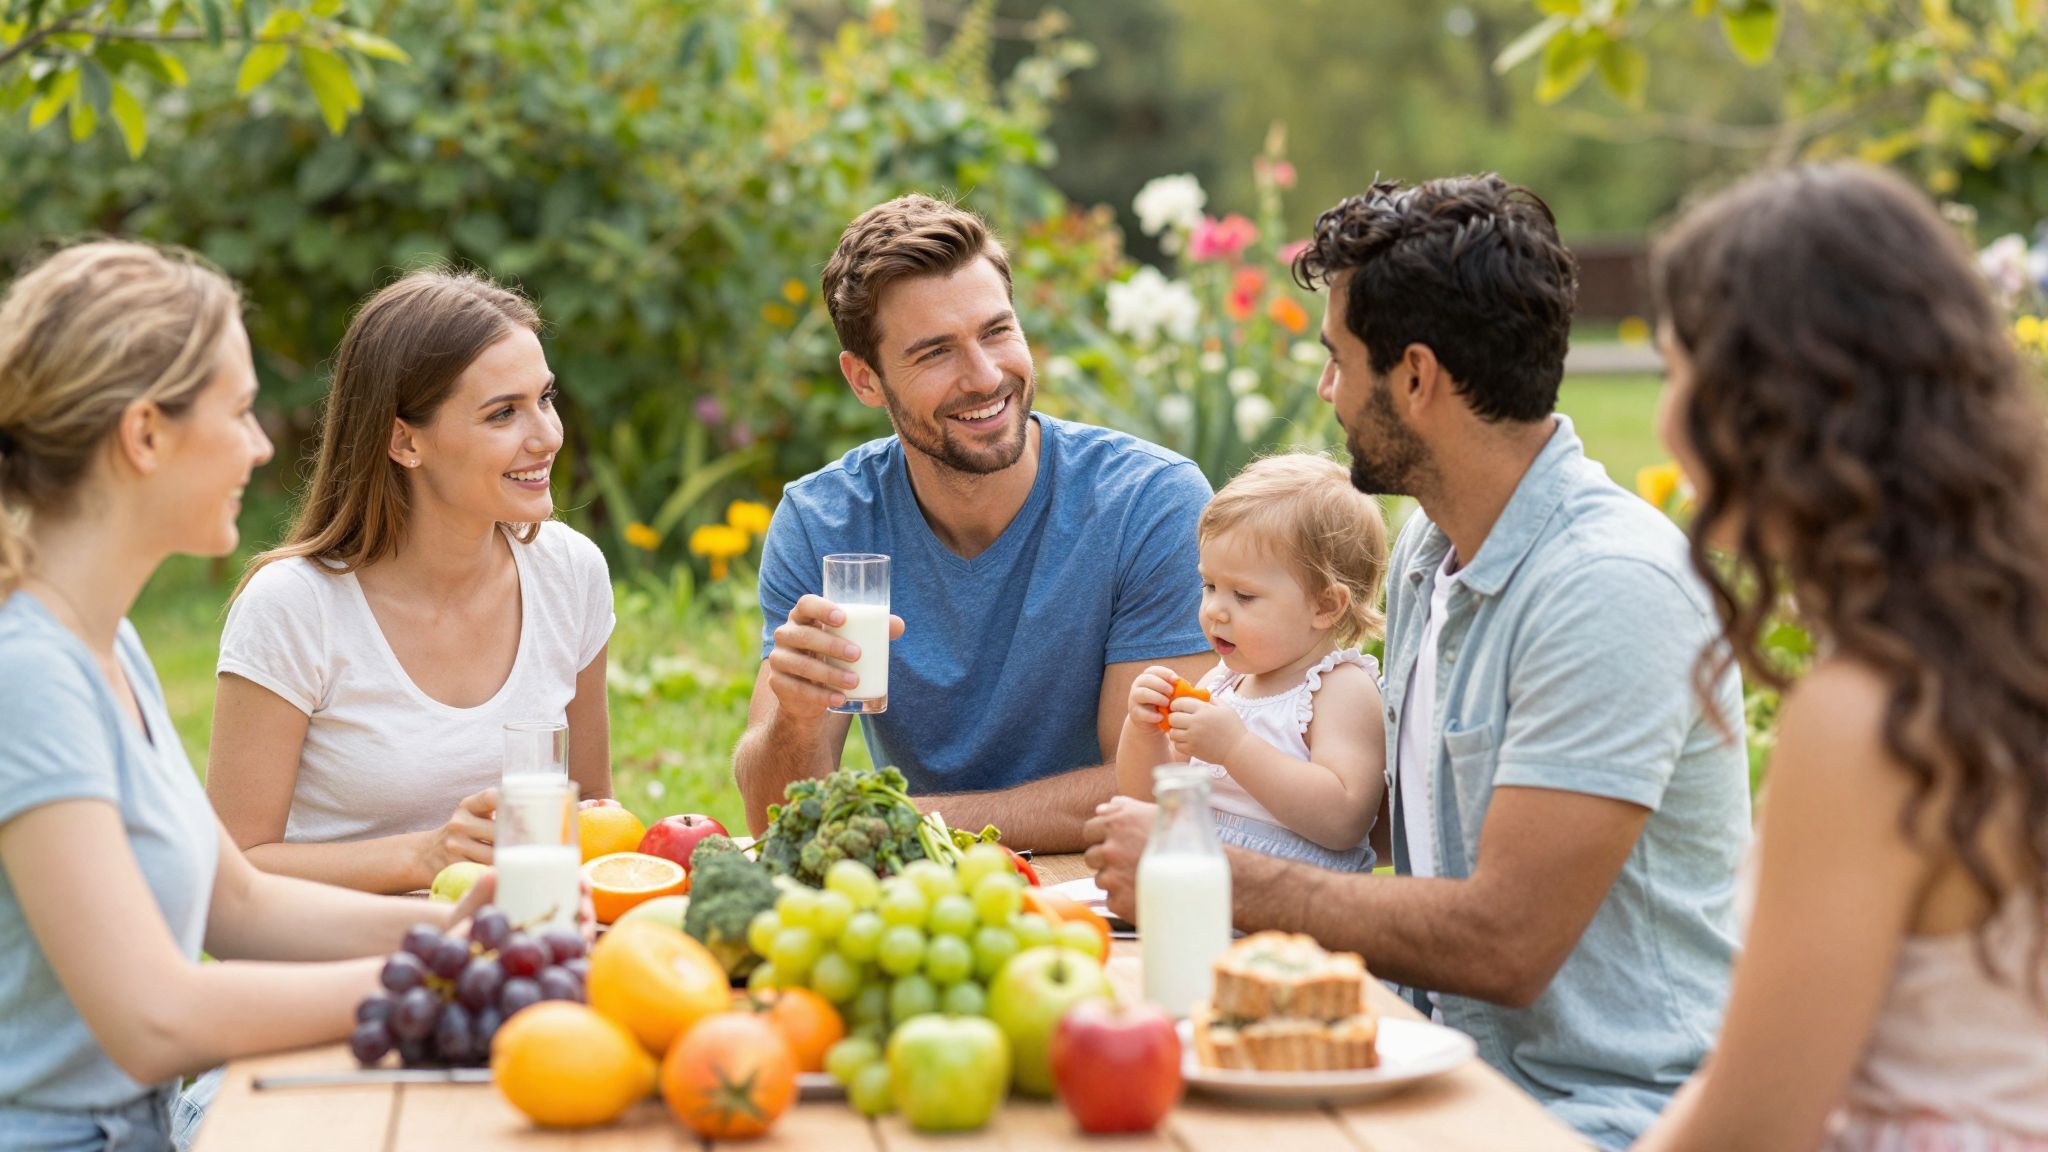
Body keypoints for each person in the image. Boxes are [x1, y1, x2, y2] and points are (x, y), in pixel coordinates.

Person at [1084, 174, 1752, 1149]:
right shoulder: (1429, 555)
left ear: (1415, 378)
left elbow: (1503, 941)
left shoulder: (1606, 589)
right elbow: (1394, 826)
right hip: (1422, 1059)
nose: (1324, 392)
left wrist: (1203, 871)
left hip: (1594, 1114)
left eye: (1334, 361)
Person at [0, 241, 499, 1152]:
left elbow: (239, 904)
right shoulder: (29, 674)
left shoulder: (105, 639)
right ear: (144, 434)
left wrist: (454, 926)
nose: (264, 444)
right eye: (237, 413)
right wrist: (443, 976)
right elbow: (155, 1018)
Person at [1632, 164, 2048, 1151]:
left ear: (1768, 402)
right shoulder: (1996, 646)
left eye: (1673, 372)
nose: (1662, 418)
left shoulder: (1870, 714)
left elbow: (1750, 1128)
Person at [735, 194, 1216, 851]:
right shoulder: (826, 524)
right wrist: (794, 716)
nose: (986, 376)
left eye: (997, 331)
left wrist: (901, 821)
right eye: (935, 353)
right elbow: (774, 821)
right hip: (923, 900)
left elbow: (1152, 787)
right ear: (865, 380)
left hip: (1109, 892)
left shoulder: (1148, 504)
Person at [206, 269, 615, 895]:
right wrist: (426, 858)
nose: (548, 436)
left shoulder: (570, 574)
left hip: (522, 954)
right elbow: (227, 874)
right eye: (504, 413)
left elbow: (593, 823)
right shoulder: (293, 608)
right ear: (404, 440)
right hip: (346, 971)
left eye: (546, 398)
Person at [1116, 452, 1388, 870]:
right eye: (1209, 585)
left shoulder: (1340, 689)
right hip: (1203, 884)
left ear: (1325, 606)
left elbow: (1346, 819)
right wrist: (1143, 732)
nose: (1215, 611)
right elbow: (1147, 801)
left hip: (1299, 902)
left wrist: (1236, 748)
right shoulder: (1221, 684)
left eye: (1243, 595)